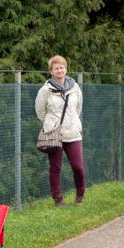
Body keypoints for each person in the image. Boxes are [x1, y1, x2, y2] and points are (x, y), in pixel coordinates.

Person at [35, 54, 85, 206]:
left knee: (78, 166)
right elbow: (40, 110)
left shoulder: (75, 87)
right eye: (56, 68)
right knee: (55, 167)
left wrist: (72, 121)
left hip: (73, 132)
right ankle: (57, 199)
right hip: (53, 134)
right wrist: (51, 124)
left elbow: (78, 107)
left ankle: (80, 194)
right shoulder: (46, 90)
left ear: (66, 69)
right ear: (51, 71)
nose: (59, 70)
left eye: (61, 67)